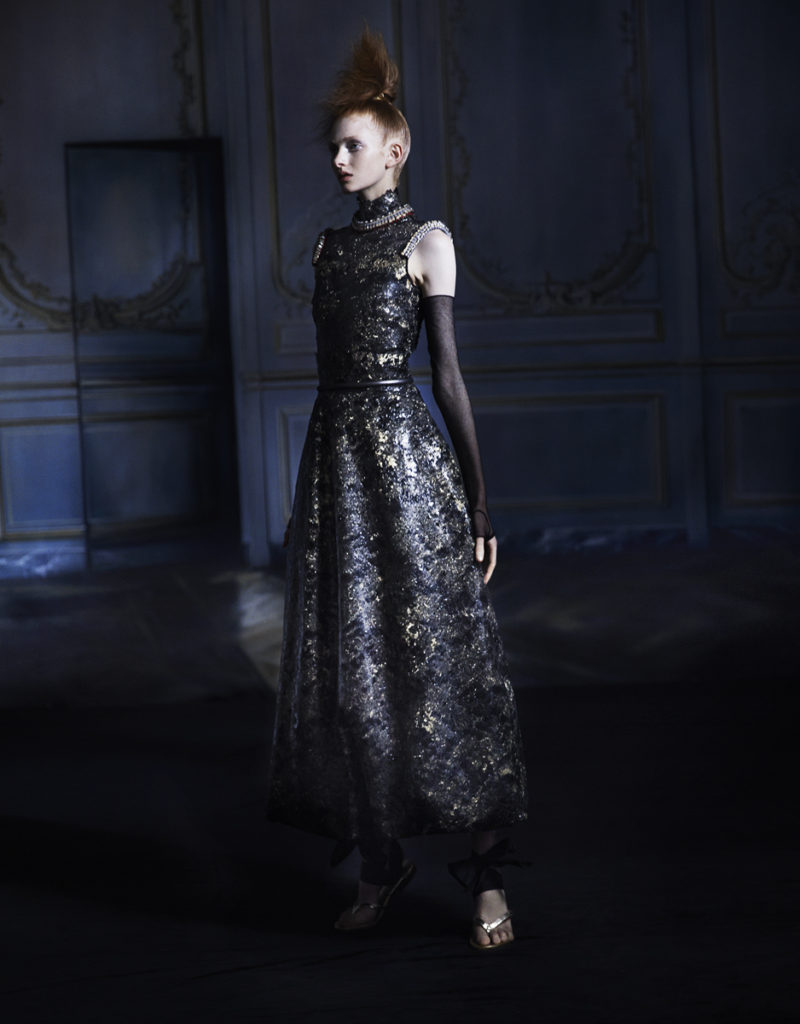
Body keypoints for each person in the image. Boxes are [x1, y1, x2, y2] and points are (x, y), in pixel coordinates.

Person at [266, 28, 527, 950]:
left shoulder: (429, 241)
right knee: (355, 677)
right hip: (335, 468)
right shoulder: (328, 250)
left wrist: (480, 505)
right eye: (335, 147)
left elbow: (448, 378)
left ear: (396, 148)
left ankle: (486, 877)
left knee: (443, 668)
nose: (339, 160)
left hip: (407, 470)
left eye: (354, 145)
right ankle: (381, 864)